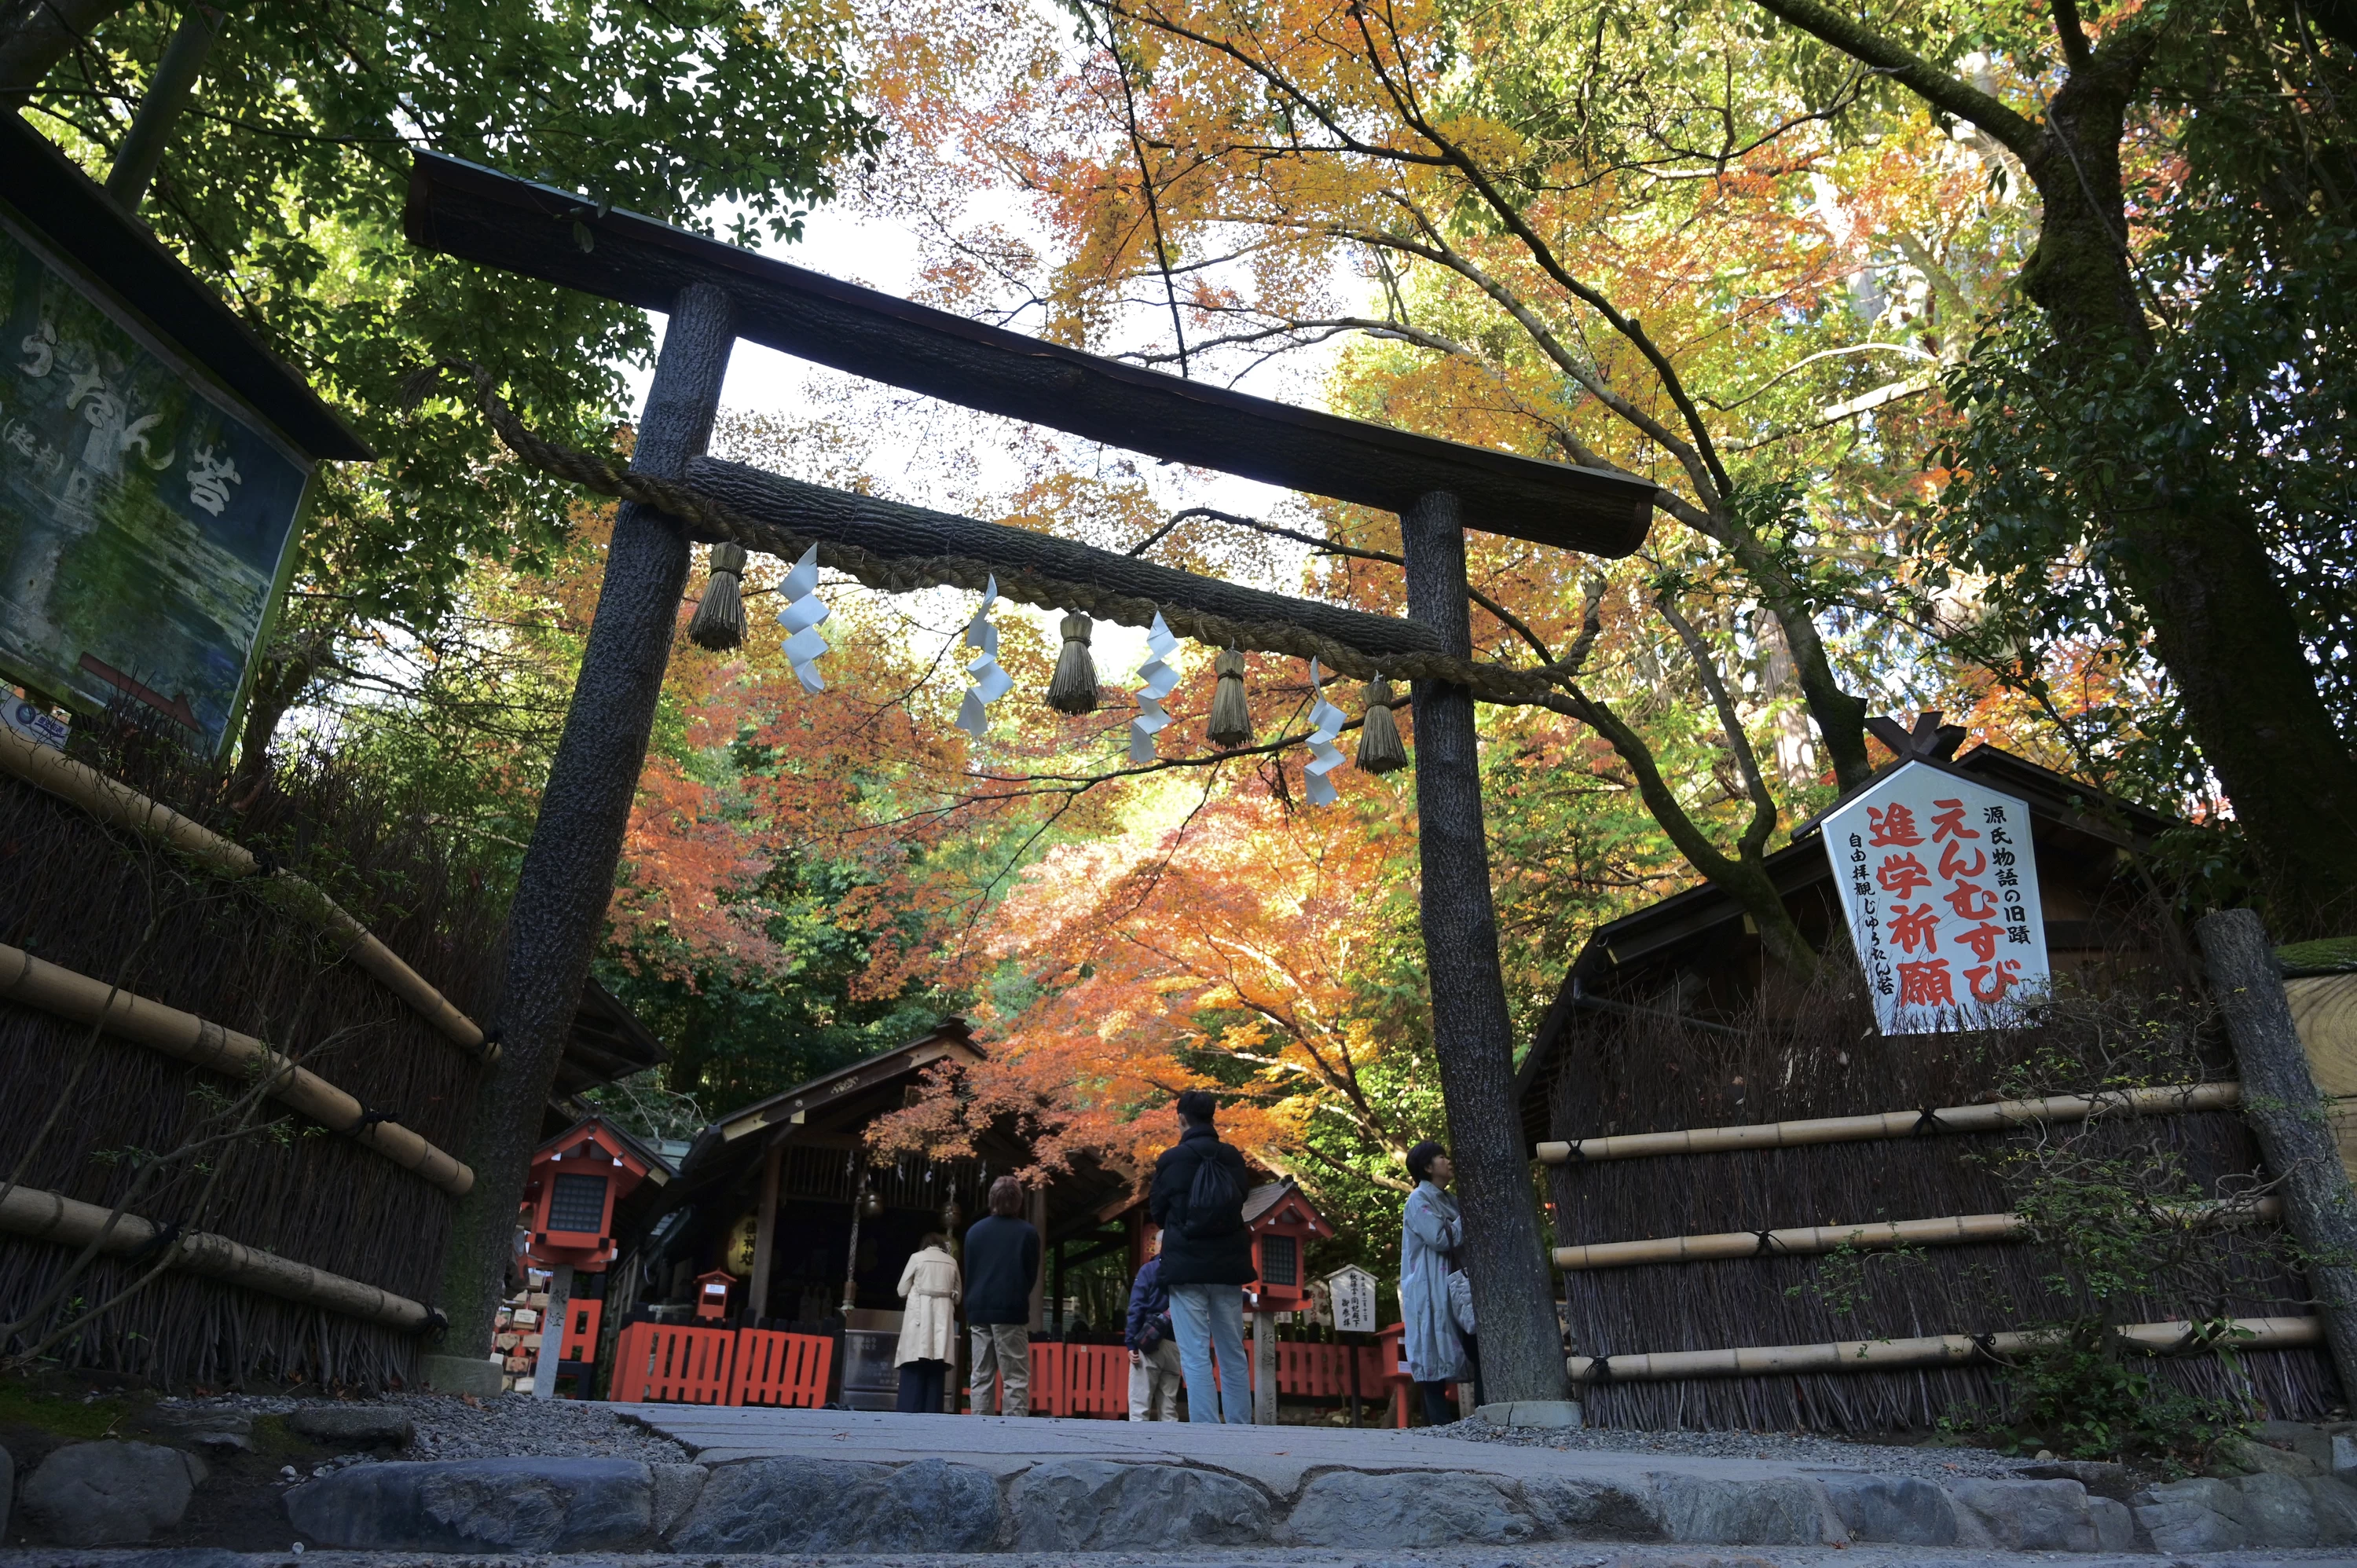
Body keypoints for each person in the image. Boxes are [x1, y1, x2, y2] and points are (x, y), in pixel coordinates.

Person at [1149, 1088, 1255, 1423]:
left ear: (1182, 1119)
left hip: (1186, 1267)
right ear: (1212, 1117)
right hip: (1227, 1265)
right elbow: (1242, 1198)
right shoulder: (1233, 1157)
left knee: (1195, 1355)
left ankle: (1205, 1432)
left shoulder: (1171, 1160)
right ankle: (1241, 1428)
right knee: (1232, 1351)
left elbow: (1157, 1211)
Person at [1399, 1139, 1470, 1426]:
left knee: (1467, 1341)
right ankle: (1439, 1424)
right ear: (1427, 1167)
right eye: (1441, 1157)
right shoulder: (1418, 1199)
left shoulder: (1448, 1199)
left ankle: (1468, 1417)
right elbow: (1440, 1238)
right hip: (1430, 1286)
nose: (1448, 1160)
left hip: (1452, 1283)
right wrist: (1469, 1215)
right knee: (1433, 1349)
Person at [963, 1175, 1040, 1416]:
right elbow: (1031, 1274)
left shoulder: (974, 1232)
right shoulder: (1027, 1233)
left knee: (981, 1375)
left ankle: (979, 1432)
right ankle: (1013, 1435)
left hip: (979, 1309)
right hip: (1010, 1308)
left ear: (991, 1200)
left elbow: (970, 1270)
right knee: (1015, 1377)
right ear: (1018, 1201)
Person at [892, 1232, 960, 1413]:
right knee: (937, 1368)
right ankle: (933, 1416)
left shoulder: (917, 1258)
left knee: (914, 1362)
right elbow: (959, 1296)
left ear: (925, 1245)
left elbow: (901, 1290)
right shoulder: (951, 1262)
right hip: (942, 1320)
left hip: (918, 1319)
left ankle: (908, 1414)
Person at [1124, 1229, 1181, 1420]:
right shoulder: (1184, 1271)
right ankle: (1171, 1446)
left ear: (1158, 1245)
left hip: (1150, 1342)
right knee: (1169, 1407)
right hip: (1176, 1343)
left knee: (1140, 1406)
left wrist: (1132, 1342)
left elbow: (1136, 1307)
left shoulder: (1148, 1270)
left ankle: (1140, 1447)